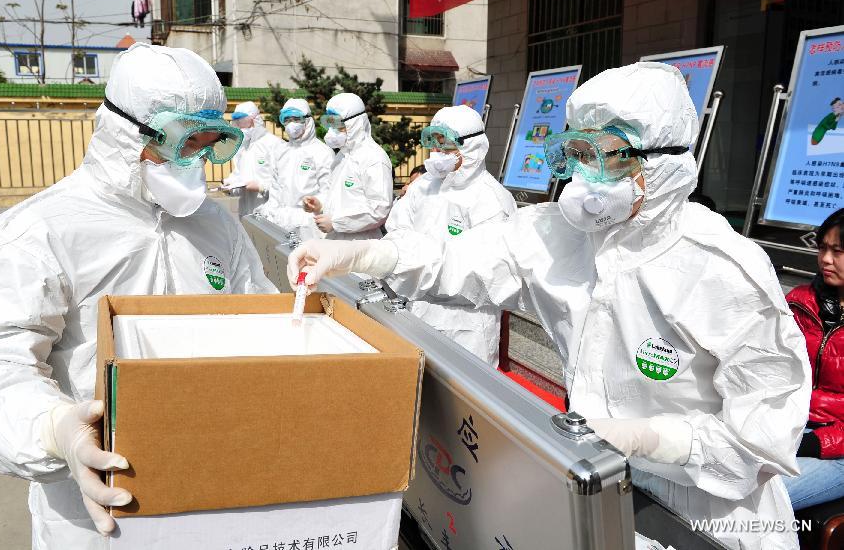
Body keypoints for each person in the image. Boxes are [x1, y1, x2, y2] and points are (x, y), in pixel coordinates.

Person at [288, 62, 810, 550]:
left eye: (610, 156)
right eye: (579, 154)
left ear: (666, 162)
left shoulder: (723, 269)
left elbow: (761, 438)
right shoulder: (557, 236)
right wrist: (358, 252)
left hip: (708, 516)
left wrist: (648, 437)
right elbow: (453, 258)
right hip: (597, 484)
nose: (587, 178)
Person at [0, 43, 277, 550]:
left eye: (208, 144)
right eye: (182, 143)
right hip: (91, 507)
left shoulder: (216, 227)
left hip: (209, 483)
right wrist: (55, 430)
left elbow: (259, 320)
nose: (195, 161)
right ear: (126, 131)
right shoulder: (44, 229)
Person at [385, 105, 516, 366]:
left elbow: (490, 275)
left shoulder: (490, 199)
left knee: (464, 400)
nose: (437, 154)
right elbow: (397, 232)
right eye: (434, 144)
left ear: (471, 147)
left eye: (446, 147)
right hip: (417, 310)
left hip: (467, 325)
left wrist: (421, 271)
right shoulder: (422, 187)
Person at [784, 207, 844, 510]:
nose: (826, 260)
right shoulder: (800, 301)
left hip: (837, 449)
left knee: (766, 499)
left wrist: (813, 444)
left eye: (838, 251)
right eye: (822, 248)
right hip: (792, 425)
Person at [302, 92, 393, 240]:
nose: (332, 130)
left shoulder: (374, 158)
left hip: (360, 243)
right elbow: (339, 199)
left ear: (355, 123)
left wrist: (337, 223)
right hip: (336, 241)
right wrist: (320, 206)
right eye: (330, 123)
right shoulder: (342, 156)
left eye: (338, 124)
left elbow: (380, 210)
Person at [259, 98, 333, 233]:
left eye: (296, 119)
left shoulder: (322, 152)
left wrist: (315, 203)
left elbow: (329, 192)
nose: (291, 124)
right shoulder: (281, 151)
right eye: (286, 120)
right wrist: (269, 213)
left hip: (310, 224)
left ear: (308, 120)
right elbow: (276, 190)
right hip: (281, 222)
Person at [221, 101, 285, 217]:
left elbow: (285, 183)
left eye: (244, 121)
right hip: (245, 211)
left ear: (256, 120)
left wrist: (262, 187)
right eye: (237, 122)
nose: (240, 126)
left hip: (269, 212)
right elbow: (239, 174)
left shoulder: (274, 145)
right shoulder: (243, 147)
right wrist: (230, 183)